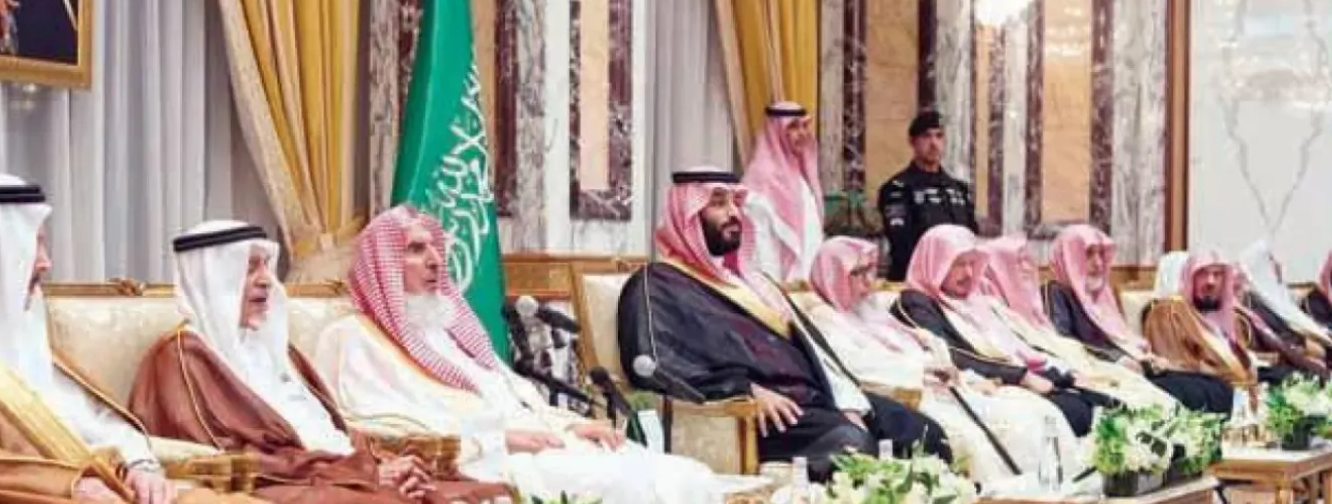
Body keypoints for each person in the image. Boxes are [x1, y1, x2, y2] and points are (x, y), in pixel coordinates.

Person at [315, 206, 744, 504]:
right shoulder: (354, 338)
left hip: (539, 443)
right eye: (414, 250)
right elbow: (374, 428)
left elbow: (516, 397)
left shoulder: (447, 328)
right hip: (486, 462)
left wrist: (572, 422)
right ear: (382, 265)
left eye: (433, 247)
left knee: (684, 475)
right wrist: (497, 441)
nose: (434, 261)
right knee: (626, 485)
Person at [0, 173, 244, 504]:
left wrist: (143, 466)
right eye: (33, 245)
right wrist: (63, 484)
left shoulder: (20, 321)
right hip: (21, 493)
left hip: (106, 484)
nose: (46, 263)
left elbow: (92, 418)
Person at [129, 221, 510, 504]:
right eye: (249, 270)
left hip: (332, 472)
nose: (266, 281)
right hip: (280, 484)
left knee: (482, 492)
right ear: (213, 281)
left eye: (266, 267)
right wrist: (364, 473)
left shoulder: (272, 348)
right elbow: (228, 460)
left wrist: (381, 461)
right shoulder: (181, 357)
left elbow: (331, 426)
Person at [617, 169, 950, 481]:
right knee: (849, 445)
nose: (734, 213)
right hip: (759, 413)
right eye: (718, 203)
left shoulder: (755, 282)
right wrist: (743, 390)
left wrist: (845, 401)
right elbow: (651, 363)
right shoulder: (658, 283)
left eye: (736, 202)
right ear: (687, 214)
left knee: (926, 435)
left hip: (816, 399)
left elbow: (817, 353)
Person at [803, 237, 1077, 483]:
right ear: (832, 276)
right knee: (981, 438)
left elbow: (922, 349)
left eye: (870, 270)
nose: (867, 281)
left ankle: (1050, 491)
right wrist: (922, 370)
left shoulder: (872, 310)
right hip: (911, 397)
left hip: (947, 388)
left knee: (1033, 415)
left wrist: (930, 349)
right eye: (856, 273)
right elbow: (858, 367)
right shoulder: (825, 319)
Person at [891, 226, 1115, 435]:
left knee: (1104, 403)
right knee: (1074, 411)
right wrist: (1020, 377)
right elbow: (948, 352)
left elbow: (1018, 346)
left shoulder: (975, 302)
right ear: (935, 263)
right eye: (959, 264)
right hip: (974, 385)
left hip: (1012, 376)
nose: (969, 273)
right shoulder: (916, 302)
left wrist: (1062, 376)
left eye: (972, 263)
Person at [1041, 225, 1234, 414]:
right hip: (1101, 374)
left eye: (1101, 255)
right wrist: (1120, 358)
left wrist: (1144, 357)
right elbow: (1063, 345)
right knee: (1190, 393)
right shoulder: (1055, 291)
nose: (1099, 263)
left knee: (1216, 387)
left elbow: (1122, 338)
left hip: (1135, 370)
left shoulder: (1100, 295)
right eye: (1089, 255)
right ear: (1069, 257)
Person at [1143, 251, 1298, 386]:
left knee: (1293, 378)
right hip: (1203, 384)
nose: (1211, 281)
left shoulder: (1229, 317)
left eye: (1217, 274)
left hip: (1240, 381)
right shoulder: (1168, 312)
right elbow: (1177, 363)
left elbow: (1242, 359)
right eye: (1203, 274)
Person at [1235, 241, 1332, 378]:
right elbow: (1286, 336)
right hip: (1317, 354)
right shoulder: (1315, 299)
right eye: (1271, 265)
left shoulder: (1279, 299)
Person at [877, 111, 976, 282]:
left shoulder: (959, 189)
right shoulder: (898, 189)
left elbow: (970, 237)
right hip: (915, 281)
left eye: (939, 136)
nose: (934, 143)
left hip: (954, 282)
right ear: (912, 142)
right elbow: (902, 243)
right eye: (926, 136)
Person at [743, 101, 825, 282]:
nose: (802, 133)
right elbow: (760, 247)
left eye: (805, 126)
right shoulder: (762, 177)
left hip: (807, 287)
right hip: (780, 287)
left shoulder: (802, 176)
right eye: (793, 127)